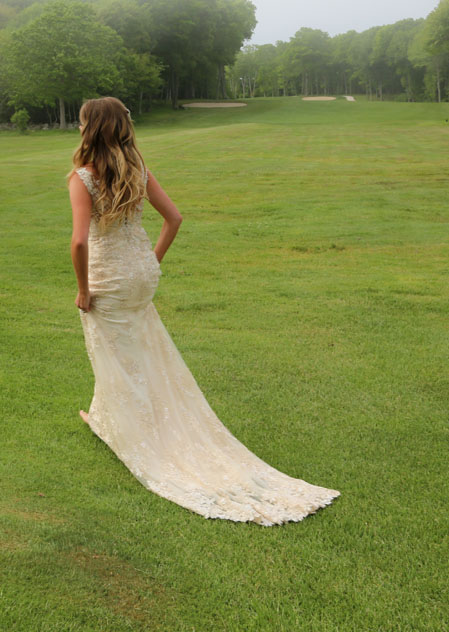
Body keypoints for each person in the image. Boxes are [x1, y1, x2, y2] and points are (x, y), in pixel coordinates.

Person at [68, 96, 337, 525]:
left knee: (116, 353)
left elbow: (80, 241)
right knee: (141, 349)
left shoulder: (83, 177)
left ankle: (136, 433)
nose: (79, 128)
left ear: (91, 128)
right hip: (141, 273)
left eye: (82, 123)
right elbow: (173, 218)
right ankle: (104, 415)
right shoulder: (137, 170)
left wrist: (83, 289)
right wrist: (151, 262)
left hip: (111, 280)